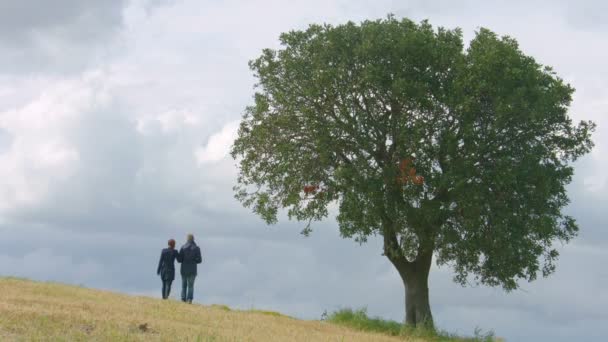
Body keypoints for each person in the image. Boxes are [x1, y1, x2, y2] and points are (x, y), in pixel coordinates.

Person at [177, 233, 202, 303]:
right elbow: (200, 260)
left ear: (187, 239)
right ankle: (189, 299)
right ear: (193, 239)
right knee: (190, 286)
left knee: (184, 285)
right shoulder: (197, 248)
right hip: (192, 270)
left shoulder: (182, 247)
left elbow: (179, 260)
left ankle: (183, 298)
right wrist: (194, 260)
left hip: (184, 269)